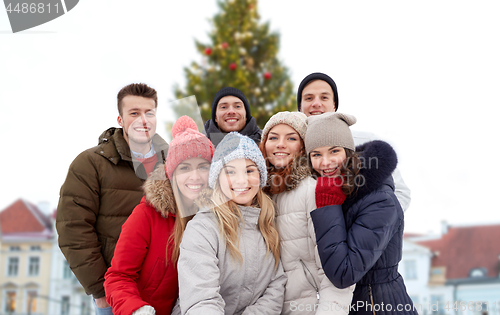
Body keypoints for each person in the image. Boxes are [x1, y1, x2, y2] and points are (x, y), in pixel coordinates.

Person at [56, 83, 169, 315]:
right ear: (120, 119)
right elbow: (73, 228)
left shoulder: (174, 162)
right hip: (116, 292)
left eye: (149, 113)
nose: (143, 120)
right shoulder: (90, 164)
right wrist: (99, 289)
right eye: (134, 113)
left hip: (168, 290)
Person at [305, 112, 417, 315]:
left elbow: (343, 273)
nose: (325, 162)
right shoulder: (339, 187)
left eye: (334, 151)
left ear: (348, 152)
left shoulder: (379, 199)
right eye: (316, 154)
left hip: (378, 304)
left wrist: (327, 207)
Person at [103, 116, 213, 315]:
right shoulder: (147, 215)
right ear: (172, 173)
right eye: (185, 168)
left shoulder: (216, 217)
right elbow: (118, 276)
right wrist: (137, 308)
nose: (195, 176)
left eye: (203, 167)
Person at [177, 132, 287, 315]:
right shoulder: (202, 228)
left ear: (260, 176)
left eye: (249, 170)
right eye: (230, 171)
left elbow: (275, 287)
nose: (241, 180)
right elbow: (201, 300)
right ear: (217, 179)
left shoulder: (267, 224)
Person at [259, 111, 354, 315]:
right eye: (273, 137)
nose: (280, 144)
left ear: (303, 146)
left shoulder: (311, 190)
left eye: (291, 138)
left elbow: (334, 272)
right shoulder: (259, 194)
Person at [296, 72, 411, 211]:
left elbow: (400, 193)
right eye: (309, 98)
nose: (316, 103)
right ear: (300, 107)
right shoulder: (290, 148)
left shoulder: (366, 143)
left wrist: (373, 224)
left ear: (334, 105)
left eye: (324, 97)